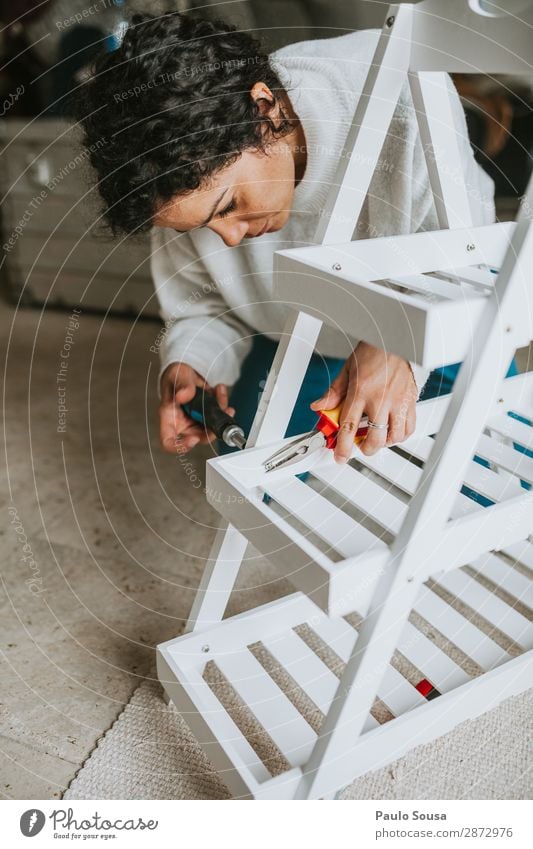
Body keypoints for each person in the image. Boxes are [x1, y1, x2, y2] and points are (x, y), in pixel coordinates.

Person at [77, 11, 496, 462]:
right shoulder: (176, 184)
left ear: (263, 108)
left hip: (443, 312)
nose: (229, 240)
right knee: (264, 478)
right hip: (296, 335)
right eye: (200, 227)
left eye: (228, 207)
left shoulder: (399, 86)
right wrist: (189, 363)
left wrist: (398, 343)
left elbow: (468, 258)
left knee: (490, 470)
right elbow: (204, 303)